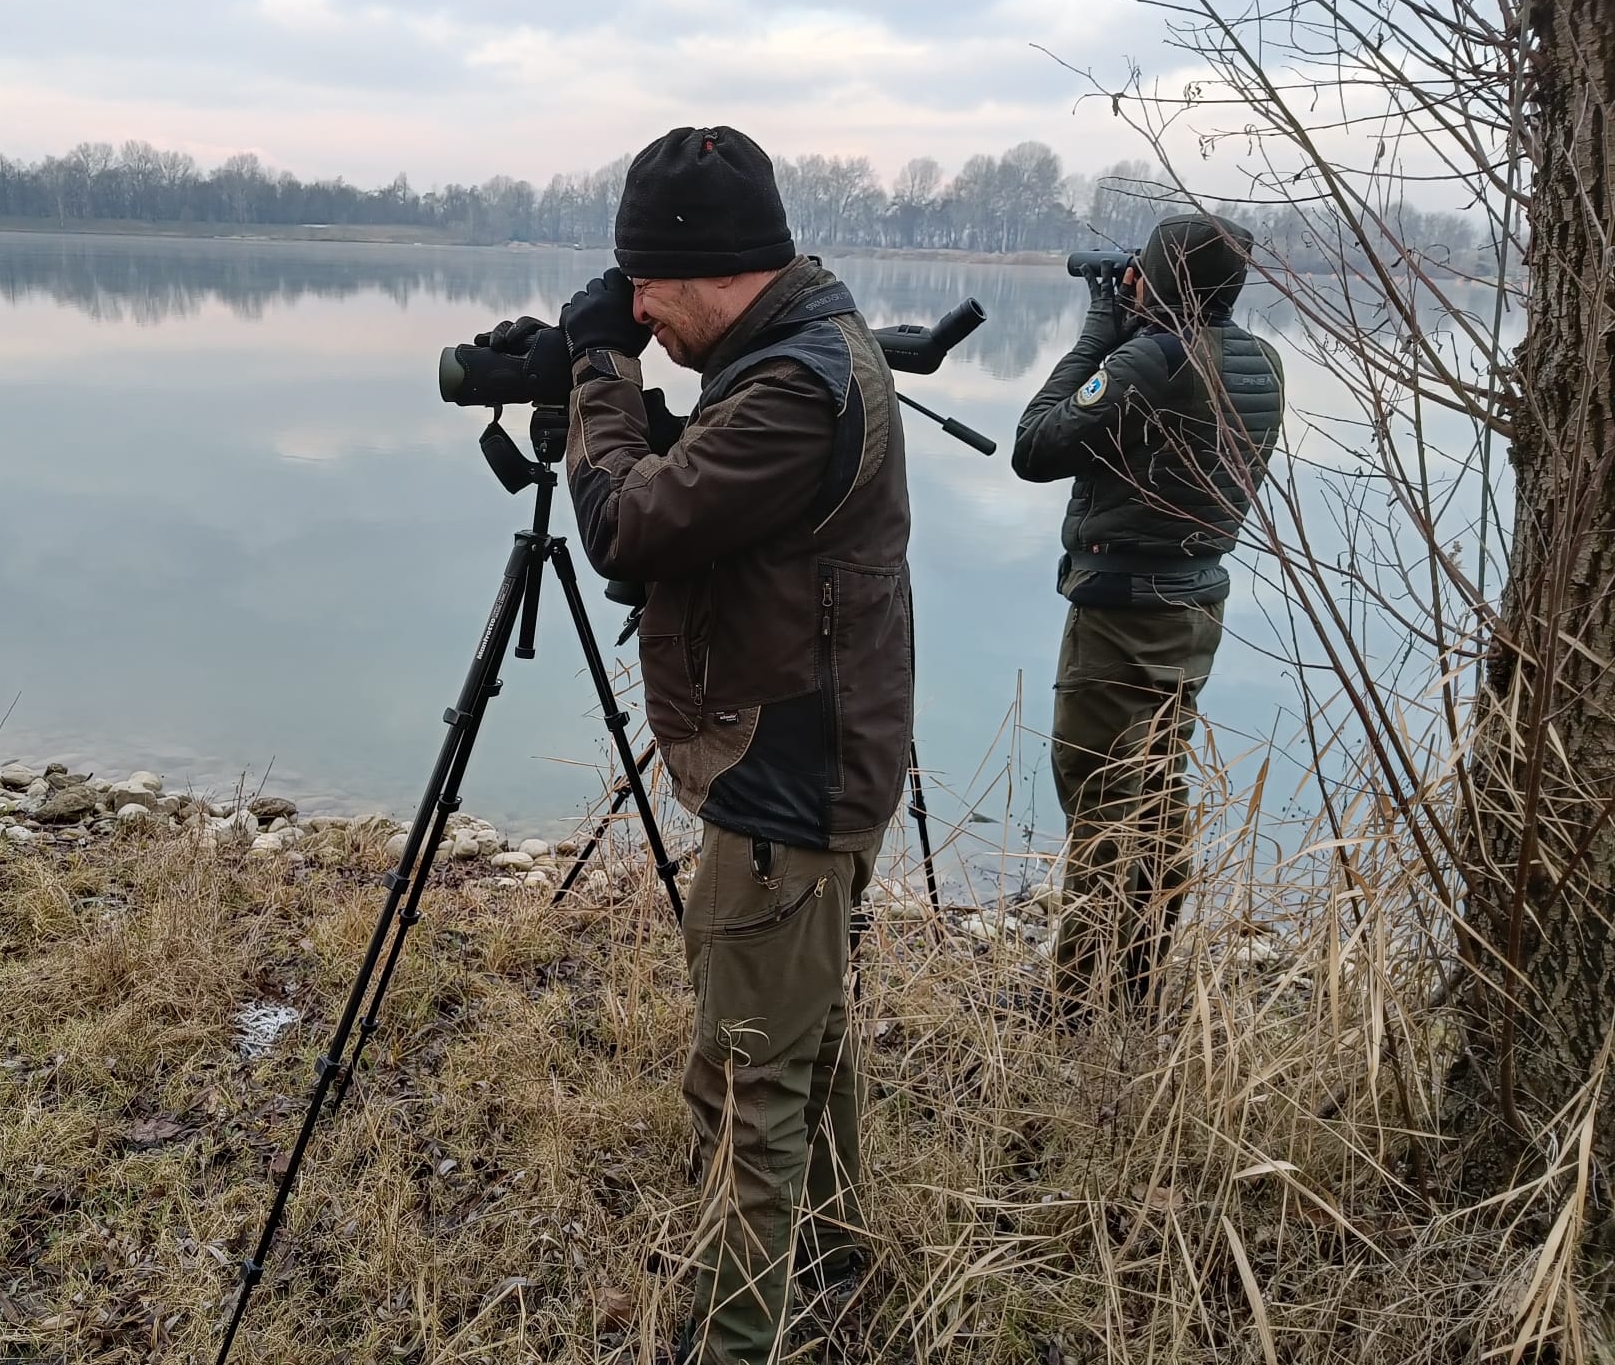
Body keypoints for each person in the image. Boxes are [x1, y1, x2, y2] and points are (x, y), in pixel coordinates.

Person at [485, 125, 912, 1363]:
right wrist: (630, 390)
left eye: (646, 289)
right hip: (821, 756)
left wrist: (598, 373)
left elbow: (626, 526)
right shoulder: (798, 349)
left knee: (744, 1082)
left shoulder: (793, 384)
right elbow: (720, 496)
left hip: (787, 779)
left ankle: (733, 1340)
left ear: (714, 267)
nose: (638, 311)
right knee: (803, 1037)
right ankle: (827, 1262)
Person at [1011, 212, 1285, 1023]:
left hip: (1122, 610)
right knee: (1159, 792)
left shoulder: (1152, 361)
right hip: (1195, 605)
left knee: (1100, 796)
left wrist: (1099, 333)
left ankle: (1076, 1003)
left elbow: (1035, 445)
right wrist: (1141, 323)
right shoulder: (1260, 359)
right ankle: (1135, 983)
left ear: (1160, 278)